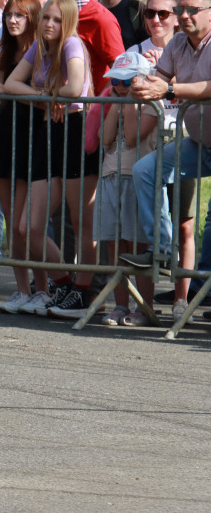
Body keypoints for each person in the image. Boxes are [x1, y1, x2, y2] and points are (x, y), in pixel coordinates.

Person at [5, 0, 97, 317]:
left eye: (57, 19)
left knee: (80, 220)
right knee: (26, 227)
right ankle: (66, 283)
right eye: (46, 18)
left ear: (68, 22)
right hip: (50, 133)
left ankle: (82, 292)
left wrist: (49, 96)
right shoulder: (39, 48)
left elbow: (74, 90)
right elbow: (11, 83)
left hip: (75, 129)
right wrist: (45, 97)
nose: (49, 24)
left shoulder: (72, 45)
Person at [0, 0, 62, 315]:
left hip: (34, 140)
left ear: (34, 19)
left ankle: (44, 288)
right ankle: (23, 290)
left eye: (20, 16)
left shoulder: (41, 53)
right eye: (9, 15)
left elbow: (46, 100)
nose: (12, 20)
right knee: (12, 225)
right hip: (6, 137)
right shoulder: (6, 52)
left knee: (28, 226)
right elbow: (0, 105)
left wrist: (3, 90)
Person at [125, 0, 211, 294]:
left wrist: (169, 89)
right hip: (200, 143)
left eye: (192, 9)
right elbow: (157, 79)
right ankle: (160, 250)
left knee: (209, 226)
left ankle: (198, 294)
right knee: (145, 171)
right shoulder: (176, 45)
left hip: (200, 140)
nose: (184, 15)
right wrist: (140, 84)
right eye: (180, 9)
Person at [95, 53, 158, 325]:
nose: (120, 87)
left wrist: (131, 102)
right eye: (116, 82)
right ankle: (120, 305)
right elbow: (105, 138)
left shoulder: (150, 106)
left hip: (136, 182)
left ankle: (144, 307)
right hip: (110, 177)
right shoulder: (118, 101)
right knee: (115, 246)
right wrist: (116, 102)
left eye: (127, 81)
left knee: (138, 246)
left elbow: (132, 138)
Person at [49, 0, 125, 95]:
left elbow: (121, 70)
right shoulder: (50, 14)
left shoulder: (100, 18)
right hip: (52, 108)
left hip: (85, 111)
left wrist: (96, 107)